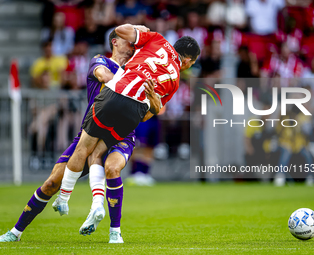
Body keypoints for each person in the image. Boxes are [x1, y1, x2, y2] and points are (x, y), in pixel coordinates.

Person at [0, 26, 155, 244]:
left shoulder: (137, 70)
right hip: (90, 132)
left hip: (121, 135)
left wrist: (154, 102)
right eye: (129, 42)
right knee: (52, 182)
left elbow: (150, 110)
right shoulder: (100, 61)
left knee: (112, 168)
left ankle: (114, 231)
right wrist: (128, 87)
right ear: (115, 42)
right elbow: (102, 76)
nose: (133, 46)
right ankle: (16, 232)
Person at [54, 24, 200, 239]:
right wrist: (150, 100)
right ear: (187, 61)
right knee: (99, 155)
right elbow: (153, 112)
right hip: (134, 112)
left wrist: (139, 28)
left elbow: (121, 30)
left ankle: (65, 198)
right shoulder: (175, 79)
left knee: (84, 149)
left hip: (114, 95)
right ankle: (110, 226)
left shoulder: (156, 39)